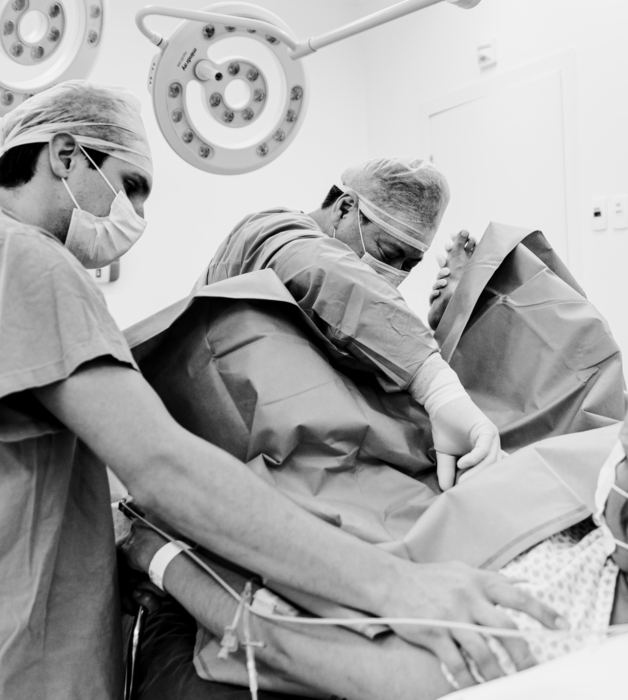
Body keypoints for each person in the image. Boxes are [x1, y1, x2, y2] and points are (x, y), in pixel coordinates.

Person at [0, 82, 562, 700]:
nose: (137, 214)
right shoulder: (10, 257)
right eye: (131, 184)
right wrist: (401, 586)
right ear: (64, 155)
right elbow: (159, 466)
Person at [123, 368, 628, 699]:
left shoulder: (538, 630)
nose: (612, 453)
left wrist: (149, 551)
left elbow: (273, 637)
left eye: (627, 459)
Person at [204, 157, 500, 490]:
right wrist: (438, 386)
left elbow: (363, 331)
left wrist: (440, 327)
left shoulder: (359, 299)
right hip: (250, 445)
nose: (396, 273)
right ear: (345, 208)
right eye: (388, 253)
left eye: (410, 265)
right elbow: (332, 279)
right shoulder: (270, 233)